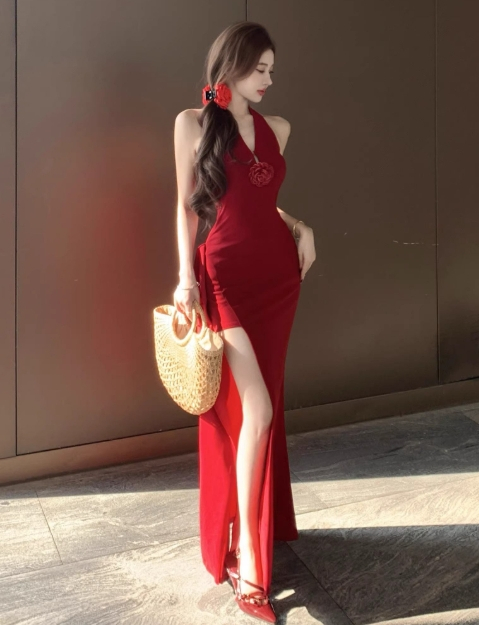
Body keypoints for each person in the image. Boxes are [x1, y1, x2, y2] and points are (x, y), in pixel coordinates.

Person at [172, 21, 316, 623]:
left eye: (272, 71)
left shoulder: (277, 128)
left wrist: (300, 225)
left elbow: (260, 203)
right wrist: (185, 278)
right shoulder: (192, 123)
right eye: (260, 69)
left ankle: (255, 534)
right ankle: (250, 558)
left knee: (267, 405)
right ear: (231, 64)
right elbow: (188, 207)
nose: (269, 80)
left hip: (278, 281)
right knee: (253, 409)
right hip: (223, 280)